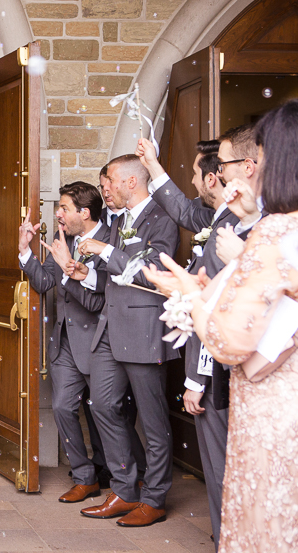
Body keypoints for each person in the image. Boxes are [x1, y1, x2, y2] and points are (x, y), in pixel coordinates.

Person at [142, 99, 298, 553]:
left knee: (269, 518)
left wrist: (192, 296)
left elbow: (230, 342)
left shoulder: (276, 233)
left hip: (276, 406)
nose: (253, 168)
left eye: (262, 157)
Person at [136, 137, 237, 547]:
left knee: (224, 467)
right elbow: (181, 208)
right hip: (217, 364)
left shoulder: (231, 228)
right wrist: (153, 164)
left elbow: (220, 308)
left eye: (196, 173)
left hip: (219, 367)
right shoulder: (217, 218)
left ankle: (229, 537)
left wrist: (197, 378)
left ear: (216, 177)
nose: (192, 180)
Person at [75, 154, 180, 527]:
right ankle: (124, 488)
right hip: (110, 327)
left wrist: (105, 251)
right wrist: (86, 272)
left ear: (131, 183)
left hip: (144, 329)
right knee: (101, 404)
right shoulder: (118, 221)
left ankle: (154, 498)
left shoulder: (164, 218)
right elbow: (111, 278)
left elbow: (152, 273)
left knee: (153, 422)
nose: (107, 191)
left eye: (112, 183)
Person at [18, 182, 115, 503]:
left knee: (105, 413)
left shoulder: (111, 240)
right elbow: (45, 281)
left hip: (101, 345)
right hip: (65, 345)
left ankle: (118, 475)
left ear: (84, 212)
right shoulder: (63, 240)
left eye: (63, 208)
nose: (57, 214)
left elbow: (95, 302)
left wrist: (66, 268)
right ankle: (84, 476)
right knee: (61, 407)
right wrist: (25, 251)